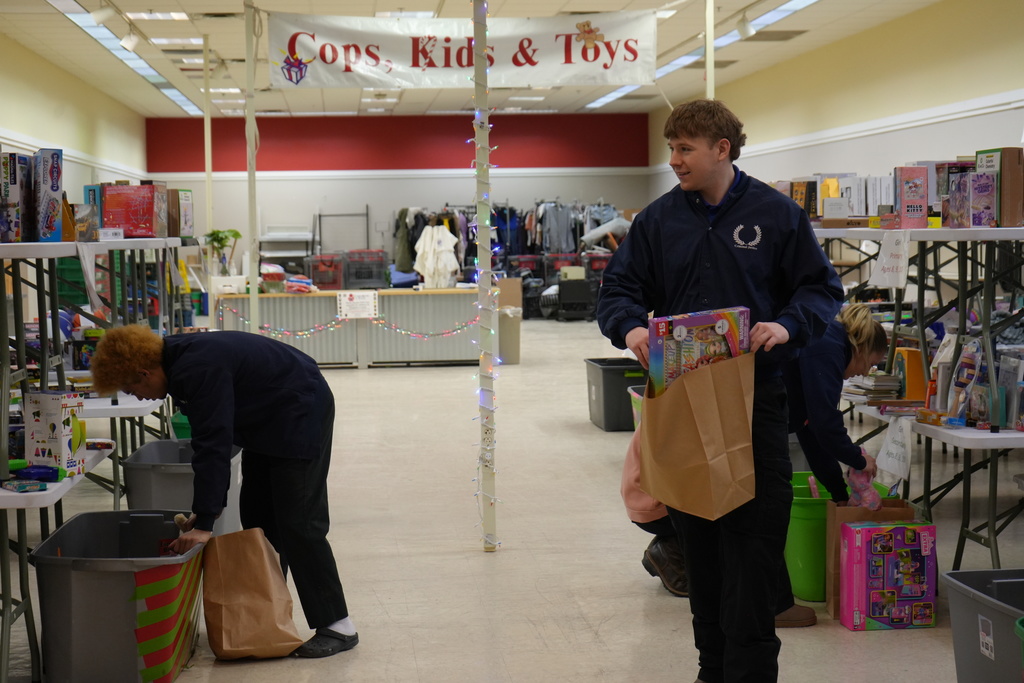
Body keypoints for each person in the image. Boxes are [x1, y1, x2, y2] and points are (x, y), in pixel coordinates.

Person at [597, 98, 844, 683]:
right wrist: (630, 326)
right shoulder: (658, 221)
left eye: (685, 149)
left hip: (756, 404)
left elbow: (820, 290)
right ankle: (712, 669)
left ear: (721, 150)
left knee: (754, 550)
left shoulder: (777, 215)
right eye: (672, 148)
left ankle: (752, 671)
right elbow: (619, 292)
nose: (675, 160)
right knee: (701, 550)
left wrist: (787, 324)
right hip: (681, 402)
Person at [90, 326, 357, 659]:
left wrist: (204, 521)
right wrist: (205, 512)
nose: (138, 396)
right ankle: (269, 615)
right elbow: (214, 437)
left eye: (133, 387)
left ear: (144, 371)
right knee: (259, 519)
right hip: (265, 417)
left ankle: (338, 624)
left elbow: (212, 443)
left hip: (299, 409)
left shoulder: (194, 367)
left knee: (300, 523)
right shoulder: (175, 360)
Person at [621, 429, 817, 628]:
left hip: (648, 494)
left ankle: (674, 546)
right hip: (660, 501)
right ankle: (775, 604)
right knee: (757, 508)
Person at [784, 303, 888, 502]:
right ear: (862, 348)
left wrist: (840, 495)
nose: (866, 372)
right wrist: (857, 458)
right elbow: (824, 423)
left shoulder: (830, 343)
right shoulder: (828, 349)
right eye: (871, 364)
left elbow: (813, 433)